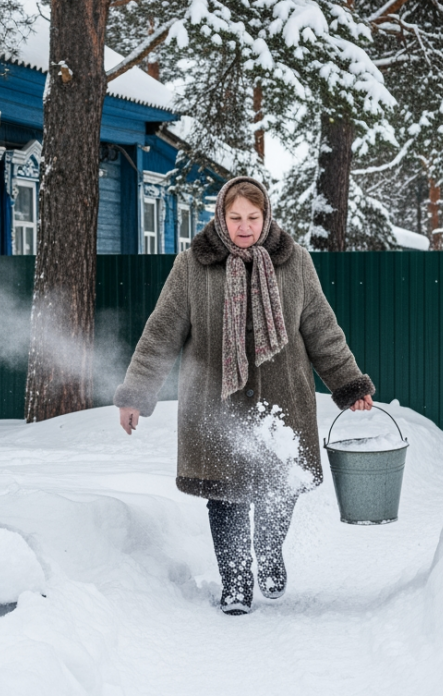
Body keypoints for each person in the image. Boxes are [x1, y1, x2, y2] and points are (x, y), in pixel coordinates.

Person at [114, 176, 375, 615]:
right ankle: (235, 581)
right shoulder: (193, 267)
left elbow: (322, 331)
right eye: (235, 218)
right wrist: (136, 393)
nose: (244, 227)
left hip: (282, 400)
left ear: (266, 216)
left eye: (252, 218)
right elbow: (161, 333)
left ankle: (269, 552)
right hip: (214, 402)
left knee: (280, 487)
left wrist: (348, 385)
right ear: (220, 216)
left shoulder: (295, 264)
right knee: (226, 492)